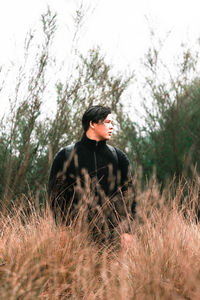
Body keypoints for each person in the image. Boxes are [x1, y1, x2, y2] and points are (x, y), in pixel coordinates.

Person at [48, 105, 136, 247]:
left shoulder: (118, 157)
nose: (111, 127)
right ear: (93, 124)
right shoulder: (66, 155)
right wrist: (62, 228)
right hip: (75, 238)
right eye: (107, 122)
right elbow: (55, 196)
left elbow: (129, 197)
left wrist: (127, 231)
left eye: (112, 123)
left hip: (112, 238)